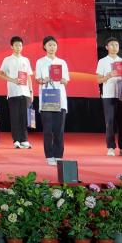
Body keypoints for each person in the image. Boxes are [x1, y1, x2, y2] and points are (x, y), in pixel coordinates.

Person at [36, 35, 70, 166]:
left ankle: (58, 155)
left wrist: (62, 80)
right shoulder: (40, 62)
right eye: (49, 45)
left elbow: (66, 80)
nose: (52, 47)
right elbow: (38, 79)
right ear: (44, 47)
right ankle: (49, 155)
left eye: (54, 45)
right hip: (47, 98)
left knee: (59, 129)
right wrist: (44, 80)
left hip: (60, 98)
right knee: (48, 129)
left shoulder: (62, 62)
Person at [96, 37, 122, 157]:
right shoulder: (102, 61)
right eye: (111, 45)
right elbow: (98, 80)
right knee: (110, 121)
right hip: (108, 94)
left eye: (116, 45)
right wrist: (108, 76)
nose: (114, 47)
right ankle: (111, 147)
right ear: (106, 47)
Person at [0, 36, 33, 149]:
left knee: (25, 117)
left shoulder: (26, 60)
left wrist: (31, 91)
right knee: (15, 117)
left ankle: (25, 139)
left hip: (25, 92)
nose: (18, 47)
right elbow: (1, 73)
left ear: (22, 47)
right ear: (12, 46)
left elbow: (29, 76)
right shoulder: (7, 59)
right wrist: (12, 80)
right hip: (13, 92)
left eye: (20, 45)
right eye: (16, 45)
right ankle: (16, 140)